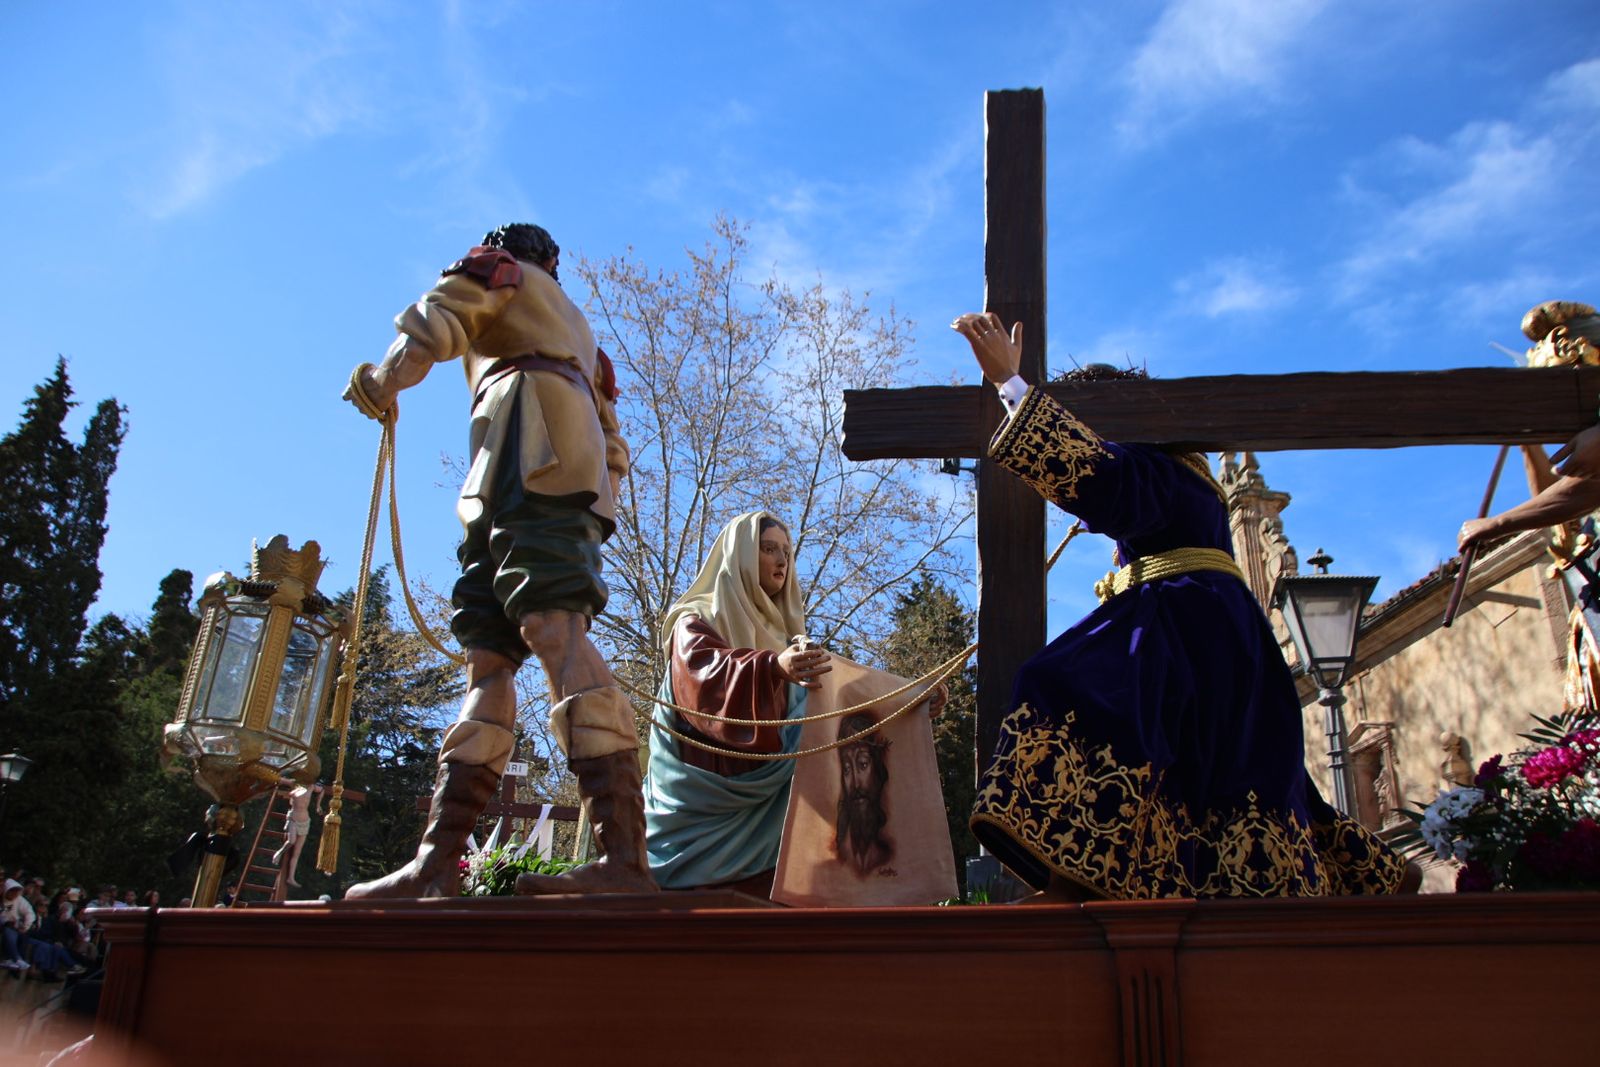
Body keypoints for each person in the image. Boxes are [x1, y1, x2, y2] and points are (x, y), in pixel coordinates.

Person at [951, 312, 1409, 900]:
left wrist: (1012, 387)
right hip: (1220, 633)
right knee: (1234, 767)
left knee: (1062, 684)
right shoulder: (1188, 473)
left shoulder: (1159, 468)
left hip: (1185, 626)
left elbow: (1101, 478)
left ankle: (1089, 869)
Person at [345, 223, 653, 897]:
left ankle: (624, 858)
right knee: (490, 654)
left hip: (525, 454)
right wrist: (598, 502)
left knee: (551, 629)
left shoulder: (498, 270)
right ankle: (437, 865)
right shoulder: (580, 336)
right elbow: (613, 443)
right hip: (526, 472)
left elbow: (438, 320)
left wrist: (383, 381)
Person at [643, 512, 831, 894]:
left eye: (787, 552)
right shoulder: (697, 619)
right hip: (700, 802)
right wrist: (771, 668)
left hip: (771, 804)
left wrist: (910, 702)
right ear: (741, 554)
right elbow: (702, 680)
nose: (782, 561)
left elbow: (836, 706)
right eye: (768, 549)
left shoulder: (791, 639)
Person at [834, 712, 892, 875]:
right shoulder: (835, 854)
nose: (855, 783)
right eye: (846, 769)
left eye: (863, 764)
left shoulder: (890, 854)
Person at [272, 782, 323, 889]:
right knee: (291, 841)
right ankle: (279, 852)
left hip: (305, 820)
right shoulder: (295, 786)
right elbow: (281, 783)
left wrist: (318, 805)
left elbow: (322, 790)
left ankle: (291, 877)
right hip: (294, 818)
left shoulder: (311, 787)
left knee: (297, 852)